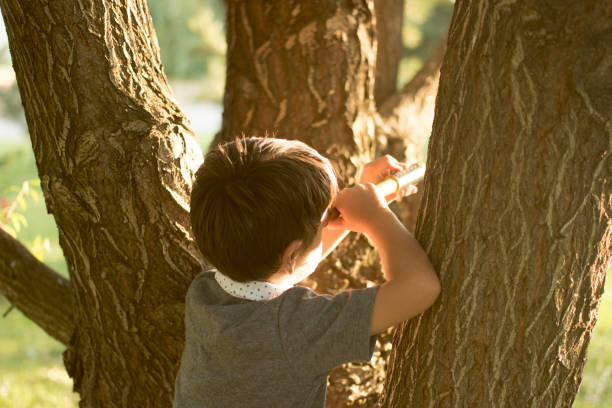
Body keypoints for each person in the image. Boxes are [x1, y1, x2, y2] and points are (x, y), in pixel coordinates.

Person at [173, 137, 440, 407]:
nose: (329, 224)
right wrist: (375, 217)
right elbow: (420, 286)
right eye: (326, 221)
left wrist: (353, 205)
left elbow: (285, 267)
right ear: (290, 255)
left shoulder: (206, 291)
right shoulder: (298, 329)